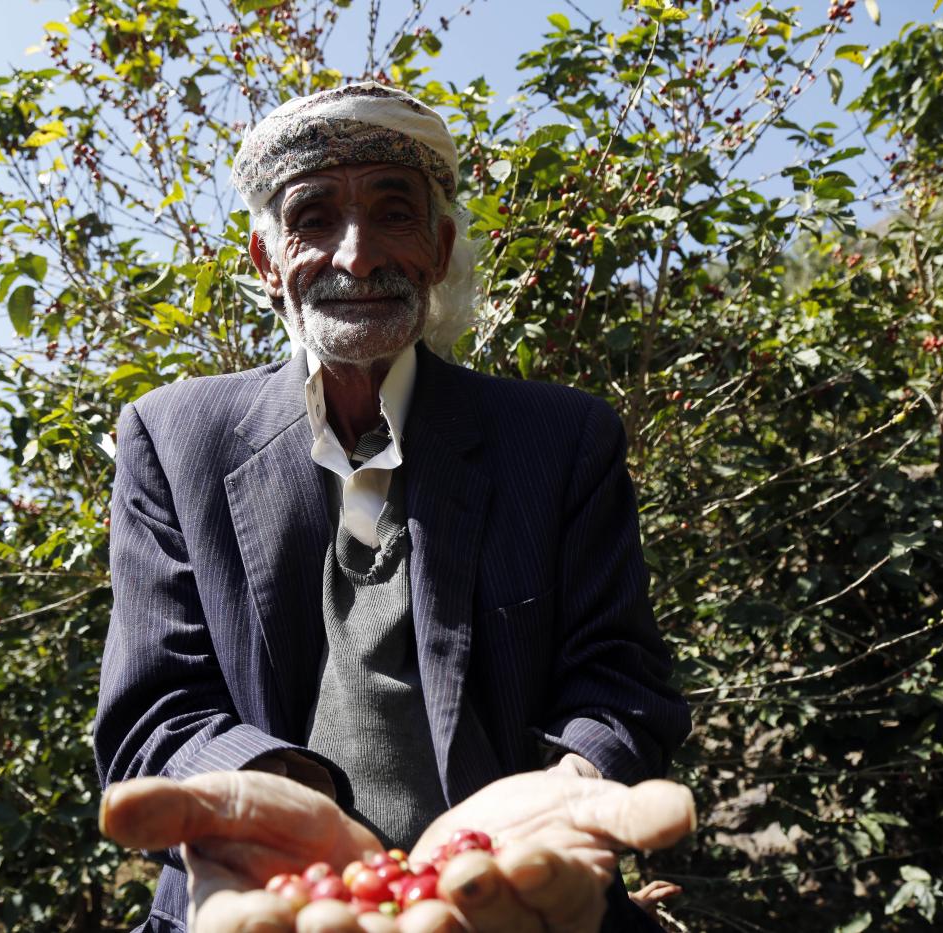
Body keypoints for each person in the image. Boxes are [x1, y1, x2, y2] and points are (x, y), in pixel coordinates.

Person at [94, 82, 692, 933]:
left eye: (393, 213)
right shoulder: (175, 437)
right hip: (268, 894)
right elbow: (155, 711)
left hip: (516, 894)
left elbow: (619, 680)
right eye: (313, 217)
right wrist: (266, 803)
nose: (357, 254)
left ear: (440, 247)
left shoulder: (559, 439)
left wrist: (576, 789)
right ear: (267, 264)